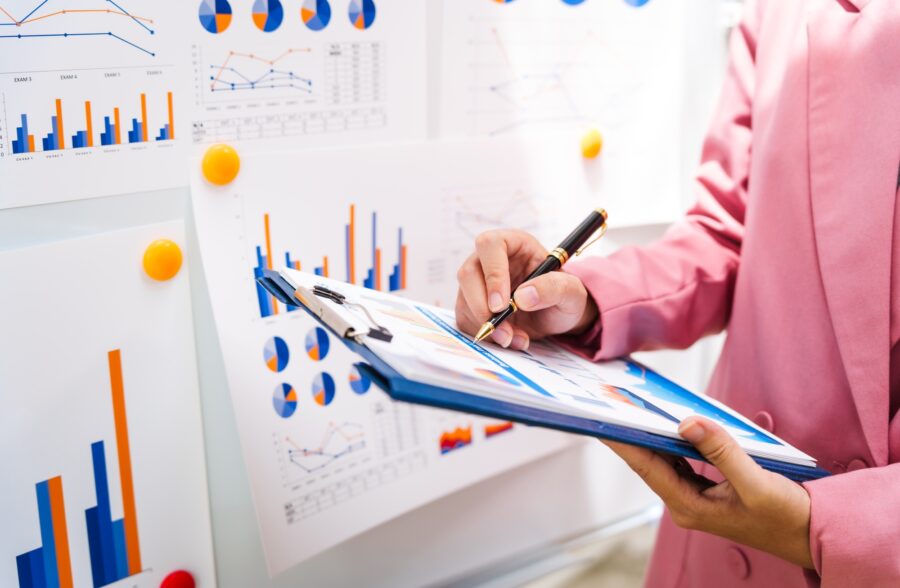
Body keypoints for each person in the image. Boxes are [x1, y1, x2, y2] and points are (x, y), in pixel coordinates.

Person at [454, 1, 900, 585]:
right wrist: (583, 301)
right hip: (728, 522)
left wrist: (845, 529)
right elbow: (728, 233)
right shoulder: (786, 10)